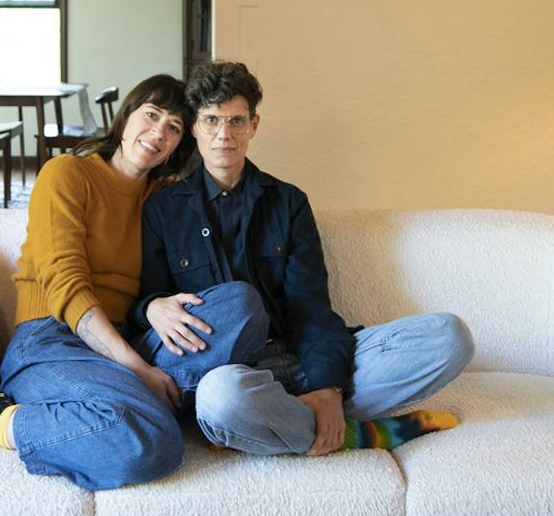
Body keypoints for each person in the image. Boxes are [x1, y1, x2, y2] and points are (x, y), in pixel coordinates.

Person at [0, 74, 244, 490]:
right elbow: (66, 286)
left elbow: (182, 278)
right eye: (151, 115)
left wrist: (155, 306)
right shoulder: (67, 174)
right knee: (150, 441)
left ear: (179, 145)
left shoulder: (162, 201)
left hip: (128, 339)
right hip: (51, 340)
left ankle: (170, 404)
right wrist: (138, 368)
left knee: (240, 303)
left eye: (175, 127)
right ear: (126, 117)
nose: (158, 132)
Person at [133, 61, 473, 456]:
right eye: (211, 120)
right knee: (220, 398)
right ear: (194, 127)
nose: (223, 134)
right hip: (233, 375)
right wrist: (151, 306)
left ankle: (275, 423)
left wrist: (327, 387)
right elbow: (149, 306)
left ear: (254, 125)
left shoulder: (288, 202)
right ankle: (353, 434)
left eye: (236, 121)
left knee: (450, 336)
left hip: (298, 357)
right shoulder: (162, 209)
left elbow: (311, 305)